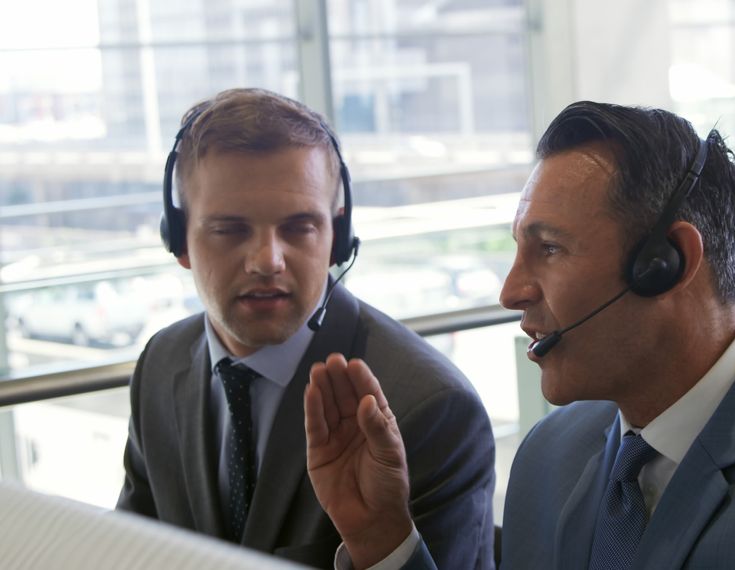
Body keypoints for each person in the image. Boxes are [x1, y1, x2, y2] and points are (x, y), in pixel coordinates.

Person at [305, 101, 735, 569]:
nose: (510, 290)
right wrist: (385, 540)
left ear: (667, 264)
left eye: (549, 250)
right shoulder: (550, 456)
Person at [117, 88, 496, 570]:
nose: (267, 261)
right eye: (230, 230)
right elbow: (129, 549)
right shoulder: (161, 362)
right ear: (179, 240)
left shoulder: (429, 407)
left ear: (336, 237)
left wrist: (381, 543)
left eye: (299, 228)